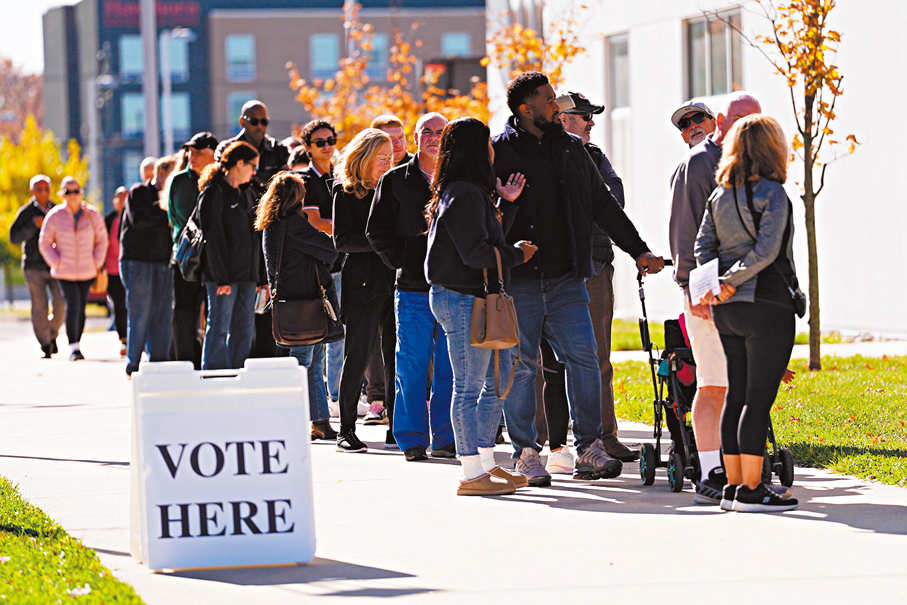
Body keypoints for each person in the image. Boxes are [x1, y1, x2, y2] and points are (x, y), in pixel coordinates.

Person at [492, 71, 663, 486]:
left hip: (569, 277)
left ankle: (589, 447)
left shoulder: (571, 150)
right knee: (522, 366)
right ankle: (526, 453)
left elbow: (603, 206)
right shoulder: (498, 151)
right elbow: (485, 213)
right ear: (525, 109)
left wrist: (637, 249)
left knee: (585, 360)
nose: (556, 106)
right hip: (520, 281)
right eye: (549, 100)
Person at [425, 116, 536, 495]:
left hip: (473, 296)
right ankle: (471, 473)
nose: (494, 149)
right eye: (488, 142)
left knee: (492, 386)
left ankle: (486, 462)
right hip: (460, 297)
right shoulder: (463, 192)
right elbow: (475, 253)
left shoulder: (468, 191)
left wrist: (508, 207)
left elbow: (485, 241)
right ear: (477, 148)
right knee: (469, 387)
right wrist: (516, 255)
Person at [695, 114, 800, 512]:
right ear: (772, 148)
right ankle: (753, 489)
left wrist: (714, 285)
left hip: (727, 311)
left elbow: (703, 246)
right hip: (767, 304)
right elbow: (768, 251)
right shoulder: (773, 192)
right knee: (757, 401)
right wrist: (734, 279)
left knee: (736, 395)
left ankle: (734, 488)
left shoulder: (719, 195)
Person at [536, 91, 637, 475]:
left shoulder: (594, 158)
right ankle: (544, 438)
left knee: (597, 358)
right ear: (562, 120)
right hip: (547, 274)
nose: (592, 123)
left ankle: (603, 437)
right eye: (584, 117)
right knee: (544, 362)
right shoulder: (537, 156)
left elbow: (614, 198)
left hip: (594, 267)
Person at [669, 91, 761, 504]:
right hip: (710, 295)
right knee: (714, 385)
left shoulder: (756, 161)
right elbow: (686, 233)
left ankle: (744, 471)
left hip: (751, 293)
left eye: (755, 119)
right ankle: (710, 472)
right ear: (722, 120)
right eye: (741, 119)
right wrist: (694, 289)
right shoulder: (699, 162)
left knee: (744, 384)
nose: (749, 127)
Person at [366, 112, 456, 462]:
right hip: (413, 289)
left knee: (450, 368)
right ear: (416, 137)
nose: (434, 137)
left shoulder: (458, 178)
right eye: (427, 132)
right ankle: (412, 439)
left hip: (453, 288)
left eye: (440, 132)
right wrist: (402, 259)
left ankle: (447, 438)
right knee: (412, 366)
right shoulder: (394, 181)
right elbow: (377, 231)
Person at [257, 172, 341, 441]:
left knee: (312, 362)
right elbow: (329, 250)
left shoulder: (272, 224)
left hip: (289, 303)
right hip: (305, 302)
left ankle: (320, 422)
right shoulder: (295, 224)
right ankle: (293, 421)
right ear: (298, 197)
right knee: (304, 363)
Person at [332, 128, 396, 452]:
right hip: (362, 282)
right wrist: (381, 243)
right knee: (357, 356)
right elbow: (341, 240)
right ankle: (346, 430)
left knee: (395, 358)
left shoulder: (394, 187)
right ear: (365, 157)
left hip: (395, 280)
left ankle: (396, 428)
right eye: (382, 158)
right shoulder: (345, 192)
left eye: (390, 157)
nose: (388, 163)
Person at [216, 100, 290, 359]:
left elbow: (285, 187)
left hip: (269, 231)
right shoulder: (227, 149)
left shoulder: (278, 150)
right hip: (238, 235)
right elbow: (220, 187)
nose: (260, 127)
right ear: (242, 121)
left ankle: (266, 362)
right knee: (232, 316)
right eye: (254, 121)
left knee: (267, 301)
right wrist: (263, 184)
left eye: (264, 122)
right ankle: (232, 365)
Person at [197, 141, 261, 370]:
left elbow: (256, 237)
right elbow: (213, 239)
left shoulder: (248, 193)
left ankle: (237, 373)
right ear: (239, 163)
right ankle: (213, 374)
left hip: (247, 275)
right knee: (220, 326)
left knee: (244, 328)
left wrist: (259, 277)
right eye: (252, 166)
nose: (254, 172)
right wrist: (221, 278)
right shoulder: (213, 193)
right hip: (222, 277)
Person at [298, 120, 343, 410]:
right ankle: (331, 396)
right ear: (308, 148)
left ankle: (336, 393)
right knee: (321, 335)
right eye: (319, 142)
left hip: (342, 262)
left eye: (331, 139)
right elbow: (315, 223)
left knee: (340, 332)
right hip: (318, 266)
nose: (327, 146)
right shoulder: (305, 180)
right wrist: (346, 226)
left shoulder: (340, 175)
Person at [38, 177, 107, 361]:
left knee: (81, 307)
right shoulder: (54, 216)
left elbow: (102, 239)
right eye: (68, 191)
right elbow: (44, 243)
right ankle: (73, 347)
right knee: (73, 304)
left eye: (76, 191)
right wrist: (56, 262)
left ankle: (78, 341)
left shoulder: (92, 214)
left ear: (81, 193)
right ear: (62, 194)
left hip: (87, 269)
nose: (72, 195)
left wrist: (96, 262)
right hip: (65, 271)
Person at [120, 156, 176, 376]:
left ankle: (159, 363)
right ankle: (133, 363)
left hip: (164, 262)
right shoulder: (138, 192)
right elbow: (139, 221)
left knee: (163, 314)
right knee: (140, 313)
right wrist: (165, 214)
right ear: (160, 174)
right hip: (138, 261)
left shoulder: (172, 197)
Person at [167, 132, 219, 369]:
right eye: (190, 151)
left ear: (213, 154)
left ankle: (212, 363)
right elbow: (177, 216)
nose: (192, 156)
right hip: (186, 256)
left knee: (215, 313)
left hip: (215, 258)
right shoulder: (179, 180)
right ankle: (186, 364)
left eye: (198, 152)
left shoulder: (220, 180)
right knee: (183, 313)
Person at [10, 175, 65, 358]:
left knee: (61, 303)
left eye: (46, 188)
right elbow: (14, 238)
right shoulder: (26, 212)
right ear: (32, 191)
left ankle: (51, 333)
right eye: (39, 189)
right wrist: (33, 226)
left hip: (55, 265)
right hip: (33, 266)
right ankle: (46, 344)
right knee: (39, 306)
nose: (43, 192)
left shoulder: (57, 210)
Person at [104, 187, 129, 356]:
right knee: (119, 305)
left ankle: (137, 339)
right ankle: (124, 340)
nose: (124, 203)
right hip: (113, 270)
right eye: (120, 199)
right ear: (115, 202)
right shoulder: (108, 220)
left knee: (133, 304)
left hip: (131, 268)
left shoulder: (137, 217)